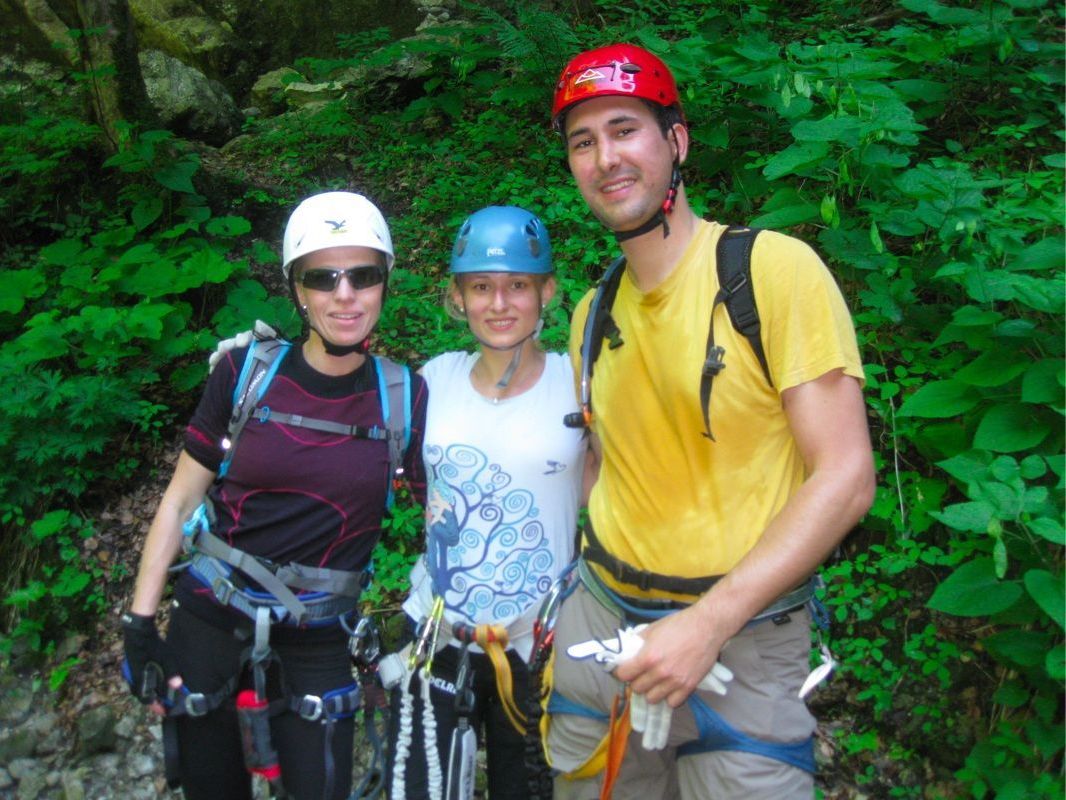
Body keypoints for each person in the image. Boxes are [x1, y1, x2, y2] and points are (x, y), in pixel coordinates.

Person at [543, 44, 876, 798]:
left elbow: (847, 476)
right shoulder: (591, 314)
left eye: (625, 129)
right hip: (603, 628)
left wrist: (708, 621)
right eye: (583, 142)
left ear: (677, 142)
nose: (605, 158)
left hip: (746, 639)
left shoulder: (770, 272)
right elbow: (606, 458)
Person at [120, 191, 428, 800]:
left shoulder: (406, 399)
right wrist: (140, 622)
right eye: (324, 277)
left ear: (384, 283)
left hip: (320, 635)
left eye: (362, 275)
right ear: (298, 291)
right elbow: (180, 502)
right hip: (209, 618)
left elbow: (451, 515)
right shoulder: (243, 375)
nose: (345, 294)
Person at [385, 206, 588, 800]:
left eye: (517, 286)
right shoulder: (431, 382)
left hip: (537, 645)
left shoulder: (576, 383)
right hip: (435, 635)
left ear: (546, 291)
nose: (499, 303)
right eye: (481, 287)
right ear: (457, 297)